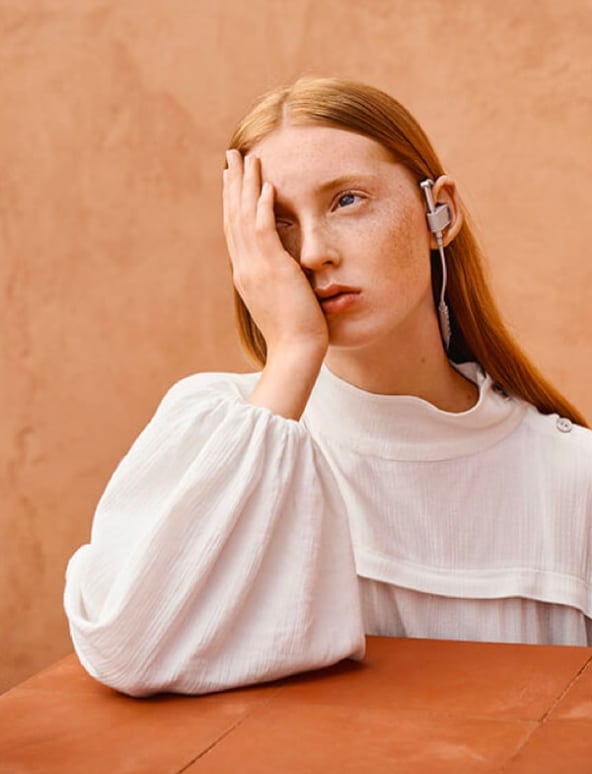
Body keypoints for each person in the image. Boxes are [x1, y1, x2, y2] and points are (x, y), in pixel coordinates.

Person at [64, 77, 592, 697]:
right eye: (278, 223)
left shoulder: (572, 478)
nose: (313, 252)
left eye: (346, 200)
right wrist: (292, 351)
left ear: (439, 213)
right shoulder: (214, 432)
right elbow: (130, 651)